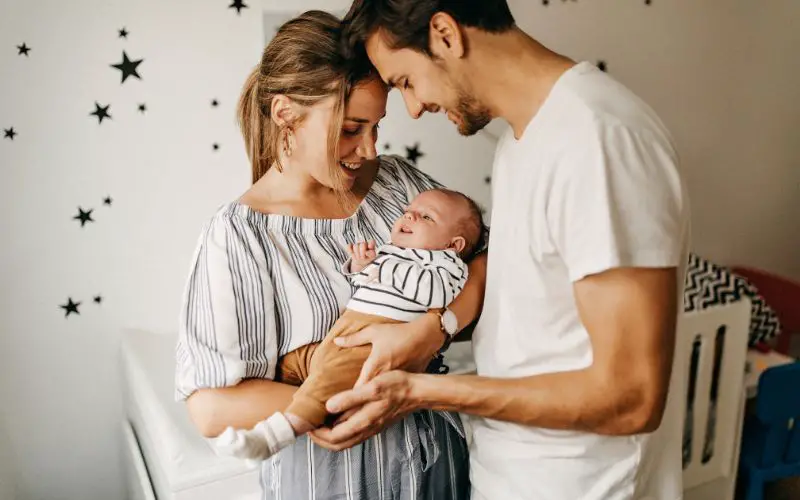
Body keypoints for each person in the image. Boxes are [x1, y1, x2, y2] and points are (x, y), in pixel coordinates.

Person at [317, 1, 692, 499]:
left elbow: (631, 398)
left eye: (406, 81)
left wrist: (421, 392)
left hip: (587, 485)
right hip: (516, 474)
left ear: (446, 34)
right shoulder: (521, 139)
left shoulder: (597, 139)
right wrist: (437, 327)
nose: (413, 107)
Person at [174, 10, 487, 499]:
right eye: (350, 129)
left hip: (437, 463)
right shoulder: (240, 236)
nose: (367, 149)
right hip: (332, 481)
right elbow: (211, 408)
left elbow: (485, 264)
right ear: (285, 115)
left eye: (376, 128)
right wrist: (356, 398)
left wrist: (434, 330)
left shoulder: (399, 186)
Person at [212, 188, 486, 461]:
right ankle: (283, 407)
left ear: (454, 244)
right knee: (293, 362)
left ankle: (271, 438)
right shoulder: (392, 252)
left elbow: (433, 294)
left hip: (373, 344)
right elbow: (364, 285)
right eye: (407, 212)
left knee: (325, 384)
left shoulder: (447, 265)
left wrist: (382, 266)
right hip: (345, 332)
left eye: (425, 217)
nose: (410, 217)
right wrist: (360, 266)